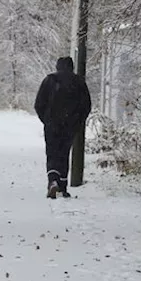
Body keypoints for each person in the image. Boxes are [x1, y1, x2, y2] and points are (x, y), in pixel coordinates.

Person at [34, 56, 92, 199]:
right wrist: (77, 122)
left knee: (52, 153)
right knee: (64, 153)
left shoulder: (50, 80)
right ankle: (63, 186)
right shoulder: (79, 82)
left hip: (52, 124)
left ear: (57, 66)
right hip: (70, 125)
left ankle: (53, 180)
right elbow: (86, 105)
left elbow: (39, 104)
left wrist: (46, 120)